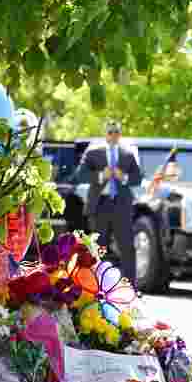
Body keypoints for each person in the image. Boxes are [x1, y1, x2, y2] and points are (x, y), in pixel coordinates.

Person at [73, 120, 143, 283]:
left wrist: (123, 177)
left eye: (116, 132)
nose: (113, 135)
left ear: (120, 134)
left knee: (126, 246)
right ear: (105, 134)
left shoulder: (127, 154)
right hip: (100, 204)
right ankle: (95, 284)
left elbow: (138, 178)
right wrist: (99, 176)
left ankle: (130, 286)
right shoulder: (93, 153)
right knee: (97, 247)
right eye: (110, 132)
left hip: (121, 204)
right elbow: (79, 175)